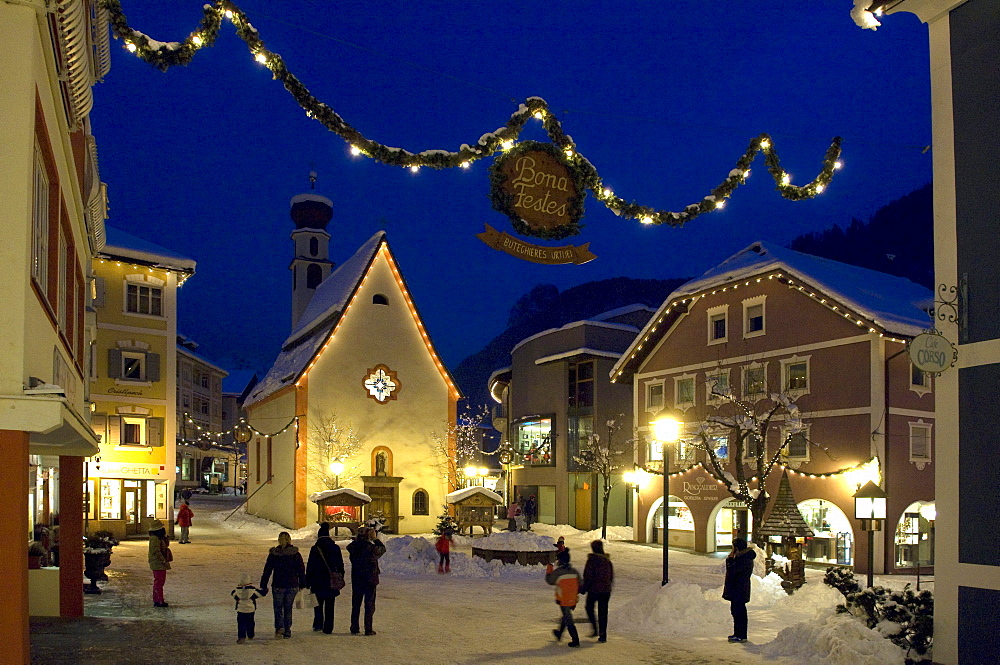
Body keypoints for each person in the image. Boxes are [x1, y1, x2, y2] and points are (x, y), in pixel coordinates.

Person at [260, 531, 306, 639]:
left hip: (278, 584)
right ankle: (287, 629)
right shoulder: (295, 554)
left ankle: (279, 628)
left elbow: (267, 570)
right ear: (289, 539)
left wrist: (263, 583)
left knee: (278, 607)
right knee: (288, 608)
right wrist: (303, 583)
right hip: (292, 584)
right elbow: (301, 570)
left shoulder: (274, 554)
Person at [347, 526, 386, 636]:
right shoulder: (371, 548)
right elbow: (382, 549)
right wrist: (375, 539)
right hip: (370, 578)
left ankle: (354, 627)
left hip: (357, 578)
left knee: (356, 604)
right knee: (369, 604)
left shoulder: (353, 547)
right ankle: (368, 628)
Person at [306, 522, 344, 634]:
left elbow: (310, 566)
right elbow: (340, 565)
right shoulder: (335, 548)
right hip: (330, 581)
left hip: (317, 581)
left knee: (317, 604)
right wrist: (340, 576)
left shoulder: (315, 549)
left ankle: (318, 624)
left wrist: (307, 581)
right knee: (330, 605)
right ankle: (328, 627)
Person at [722, 537, 756, 643]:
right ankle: (738, 633)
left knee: (739, 612)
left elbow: (733, 570)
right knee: (736, 611)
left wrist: (730, 559)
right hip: (738, 589)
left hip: (739, 589)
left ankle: (741, 635)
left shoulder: (744, 559)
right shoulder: (742, 557)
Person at [545, 549, 581, 647]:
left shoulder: (559, 572)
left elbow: (549, 580)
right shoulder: (574, 571)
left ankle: (575, 640)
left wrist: (549, 569)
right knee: (566, 615)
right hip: (573, 599)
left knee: (568, 619)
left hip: (564, 599)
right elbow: (580, 583)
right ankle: (559, 634)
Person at [581, 539, 614, 643]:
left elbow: (588, 576)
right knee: (603, 612)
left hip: (594, 590)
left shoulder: (592, 560)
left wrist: (584, 588)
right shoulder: (607, 561)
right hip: (605, 590)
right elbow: (611, 576)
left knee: (589, 607)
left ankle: (595, 628)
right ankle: (603, 634)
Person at [231, 572, 263, 643]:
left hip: (240, 610)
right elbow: (261, 593)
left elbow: (232, 593)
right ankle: (250, 634)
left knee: (241, 624)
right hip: (250, 610)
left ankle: (241, 636)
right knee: (250, 622)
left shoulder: (236, 592)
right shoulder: (252, 591)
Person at [147, 519, 171, 607]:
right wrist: (163, 560)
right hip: (157, 563)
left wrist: (166, 539)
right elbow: (156, 551)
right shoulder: (154, 539)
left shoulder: (158, 538)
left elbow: (164, 547)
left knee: (160, 582)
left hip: (159, 563)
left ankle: (159, 599)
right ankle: (158, 600)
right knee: (159, 582)